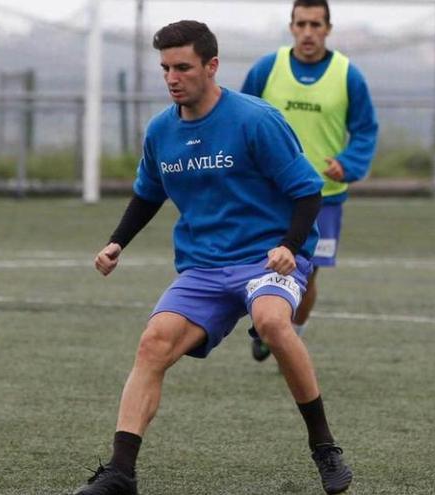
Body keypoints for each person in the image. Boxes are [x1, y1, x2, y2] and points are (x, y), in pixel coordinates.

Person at [73, 20, 352, 495]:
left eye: (183, 67)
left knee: (270, 320)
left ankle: (324, 447)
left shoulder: (255, 120)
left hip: (268, 259)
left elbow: (308, 193)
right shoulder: (161, 130)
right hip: (204, 268)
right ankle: (120, 473)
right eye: (165, 68)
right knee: (153, 343)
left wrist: (289, 246)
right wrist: (117, 241)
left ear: (212, 66)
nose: (172, 78)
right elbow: (148, 194)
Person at [241, 0, 378, 361]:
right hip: (268, 195)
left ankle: (286, 334)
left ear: (328, 29)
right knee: (260, 262)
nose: (308, 32)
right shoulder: (267, 68)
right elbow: (240, 117)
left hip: (323, 197)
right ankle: (267, 323)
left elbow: (365, 130)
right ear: (291, 26)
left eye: (316, 25)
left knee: (307, 275)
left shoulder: (349, 75)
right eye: (301, 24)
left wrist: (348, 163)